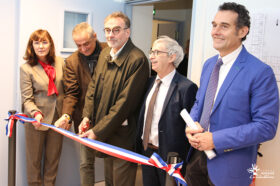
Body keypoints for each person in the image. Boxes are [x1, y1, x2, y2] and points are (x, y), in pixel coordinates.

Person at [185, 2, 279, 186]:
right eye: (214, 25)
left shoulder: (260, 72)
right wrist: (191, 125)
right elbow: (199, 103)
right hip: (195, 161)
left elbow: (266, 126)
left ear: (242, 31)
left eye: (224, 26)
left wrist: (215, 140)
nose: (215, 31)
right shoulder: (209, 64)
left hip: (229, 169)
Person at [79, 12, 150, 186]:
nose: (111, 35)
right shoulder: (105, 54)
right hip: (106, 133)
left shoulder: (138, 60)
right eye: (108, 30)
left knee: (121, 181)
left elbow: (125, 104)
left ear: (127, 32)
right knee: (110, 181)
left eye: (116, 30)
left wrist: (97, 131)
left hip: (123, 136)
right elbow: (92, 89)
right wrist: (87, 117)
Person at [136, 36, 198, 186]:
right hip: (147, 153)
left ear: (172, 57)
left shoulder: (186, 88)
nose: (151, 56)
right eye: (151, 51)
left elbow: (191, 127)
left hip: (171, 157)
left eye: (157, 52)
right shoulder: (149, 83)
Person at [54, 22, 106, 186]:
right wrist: (66, 115)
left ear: (95, 37)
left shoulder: (110, 51)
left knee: (112, 161)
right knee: (86, 163)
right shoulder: (71, 61)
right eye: (78, 45)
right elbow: (71, 93)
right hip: (84, 120)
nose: (83, 49)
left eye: (86, 44)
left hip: (109, 118)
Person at [20, 29, 64, 186]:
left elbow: (65, 90)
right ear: (31, 45)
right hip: (36, 120)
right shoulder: (26, 68)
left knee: (53, 162)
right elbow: (27, 99)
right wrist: (35, 113)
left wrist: (66, 115)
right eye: (37, 42)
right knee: (34, 162)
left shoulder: (60, 62)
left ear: (50, 44)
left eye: (44, 42)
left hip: (58, 120)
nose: (41, 46)